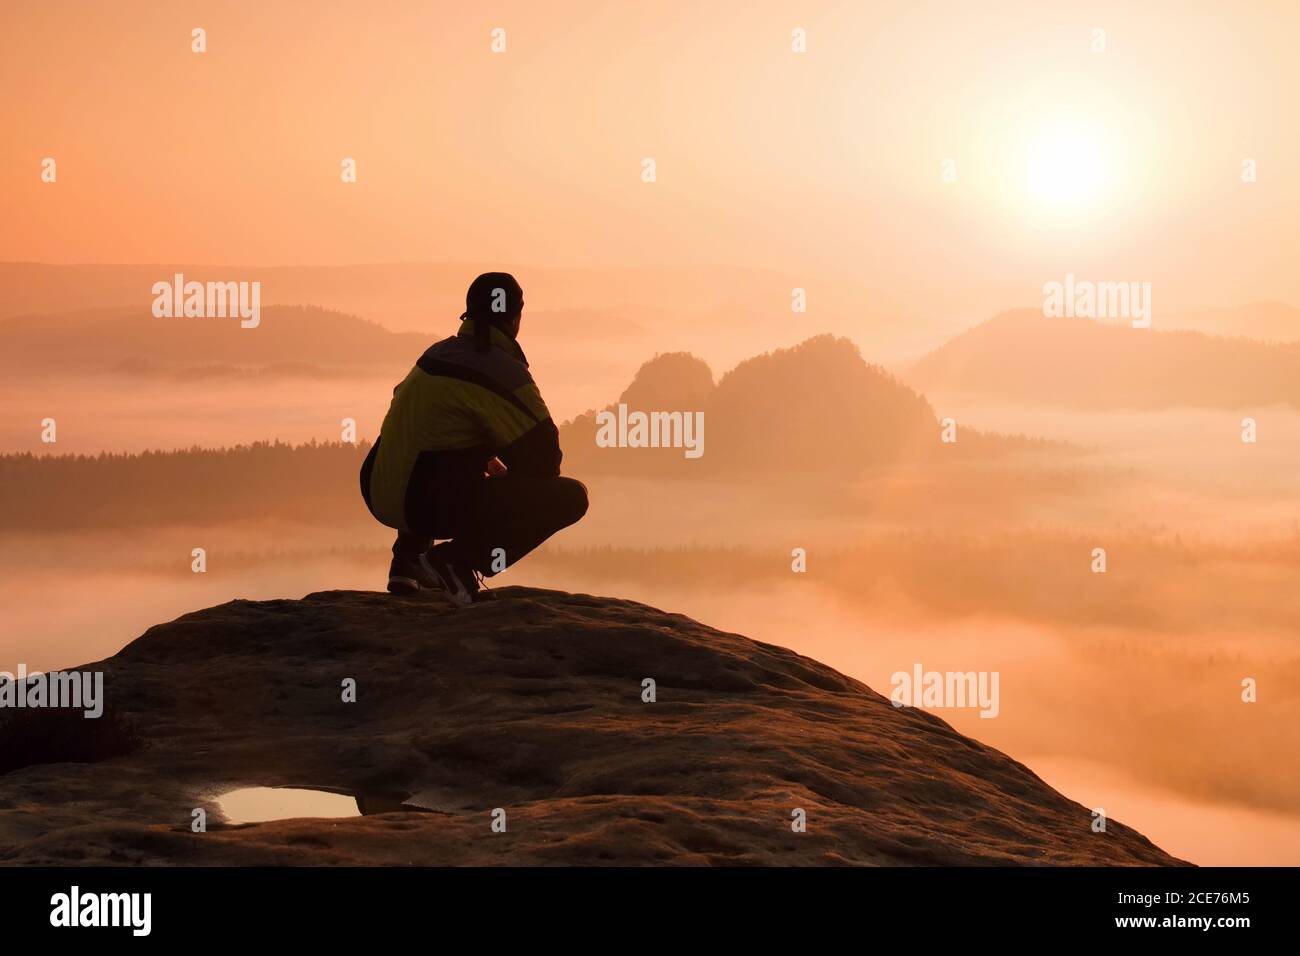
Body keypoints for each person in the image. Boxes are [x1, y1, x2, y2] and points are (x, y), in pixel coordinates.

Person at [359, 272, 588, 604]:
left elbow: (424, 420)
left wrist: (480, 454)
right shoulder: (504, 372)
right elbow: (546, 459)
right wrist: (506, 463)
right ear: (515, 317)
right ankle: (459, 562)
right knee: (570, 497)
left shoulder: (435, 354)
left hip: (378, 488)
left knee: (432, 442)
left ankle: (407, 562)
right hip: (426, 505)